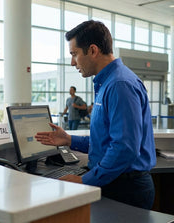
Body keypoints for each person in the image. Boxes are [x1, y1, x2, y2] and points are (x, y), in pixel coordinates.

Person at [35, 20, 156, 210]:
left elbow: (124, 147)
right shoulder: (108, 83)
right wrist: (68, 139)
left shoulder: (119, 85)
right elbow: (107, 142)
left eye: (74, 54)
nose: (72, 62)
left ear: (92, 50)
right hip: (115, 182)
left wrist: (85, 181)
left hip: (124, 189)